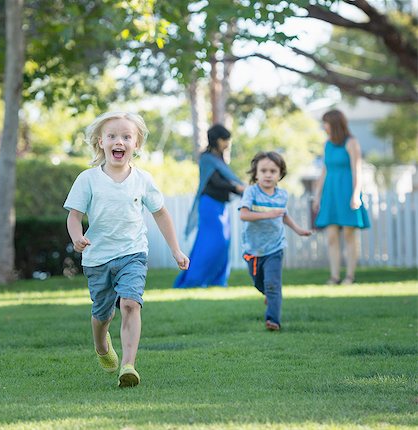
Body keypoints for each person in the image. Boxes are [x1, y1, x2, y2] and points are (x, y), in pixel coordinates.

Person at [64, 111, 189, 388]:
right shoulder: (88, 179)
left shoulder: (143, 179)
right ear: (101, 141)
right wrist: (77, 237)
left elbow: (161, 214)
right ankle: (101, 346)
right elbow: (74, 216)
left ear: (136, 144)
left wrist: (176, 250)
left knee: (131, 304)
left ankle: (128, 365)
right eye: (112, 136)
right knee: (103, 313)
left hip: (133, 253)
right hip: (97, 258)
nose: (118, 141)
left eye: (126, 136)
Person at [239, 151, 312, 331]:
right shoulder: (251, 192)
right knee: (258, 282)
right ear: (256, 173)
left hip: (275, 247)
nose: (268, 175)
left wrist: (298, 230)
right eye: (263, 171)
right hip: (253, 249)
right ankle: (270, 296)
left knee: (273, 284)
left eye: (273, 171)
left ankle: (273, 320)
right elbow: (244, 214)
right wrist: (267, 214)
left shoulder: (282, 195)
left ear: (280, 174)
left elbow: (284, 216)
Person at [173, 124, 245, 288]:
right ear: (216, 140)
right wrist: (236, 187)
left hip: (221, 206)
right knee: (210, 243)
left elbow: (227, 180)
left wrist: (241, 189)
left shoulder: (220, 159)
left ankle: (218, 281)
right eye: (224, 140)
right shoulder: (206, 158)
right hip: (209, 205)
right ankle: (194, 280)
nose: (227, 143)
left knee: (223, 243)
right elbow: (216, 182)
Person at [312, 109, 370, 285]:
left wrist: (355, 194)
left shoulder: (351, 142)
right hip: (330, 192)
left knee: (348, 234)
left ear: (335, 124)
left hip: (347, 191)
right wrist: (317, 195)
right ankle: (335, 276)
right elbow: (324, 170)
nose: (324, 126)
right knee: (331, 235)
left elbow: (357, 170)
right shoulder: (327, 144)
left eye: (326, 123)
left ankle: (350, 276)